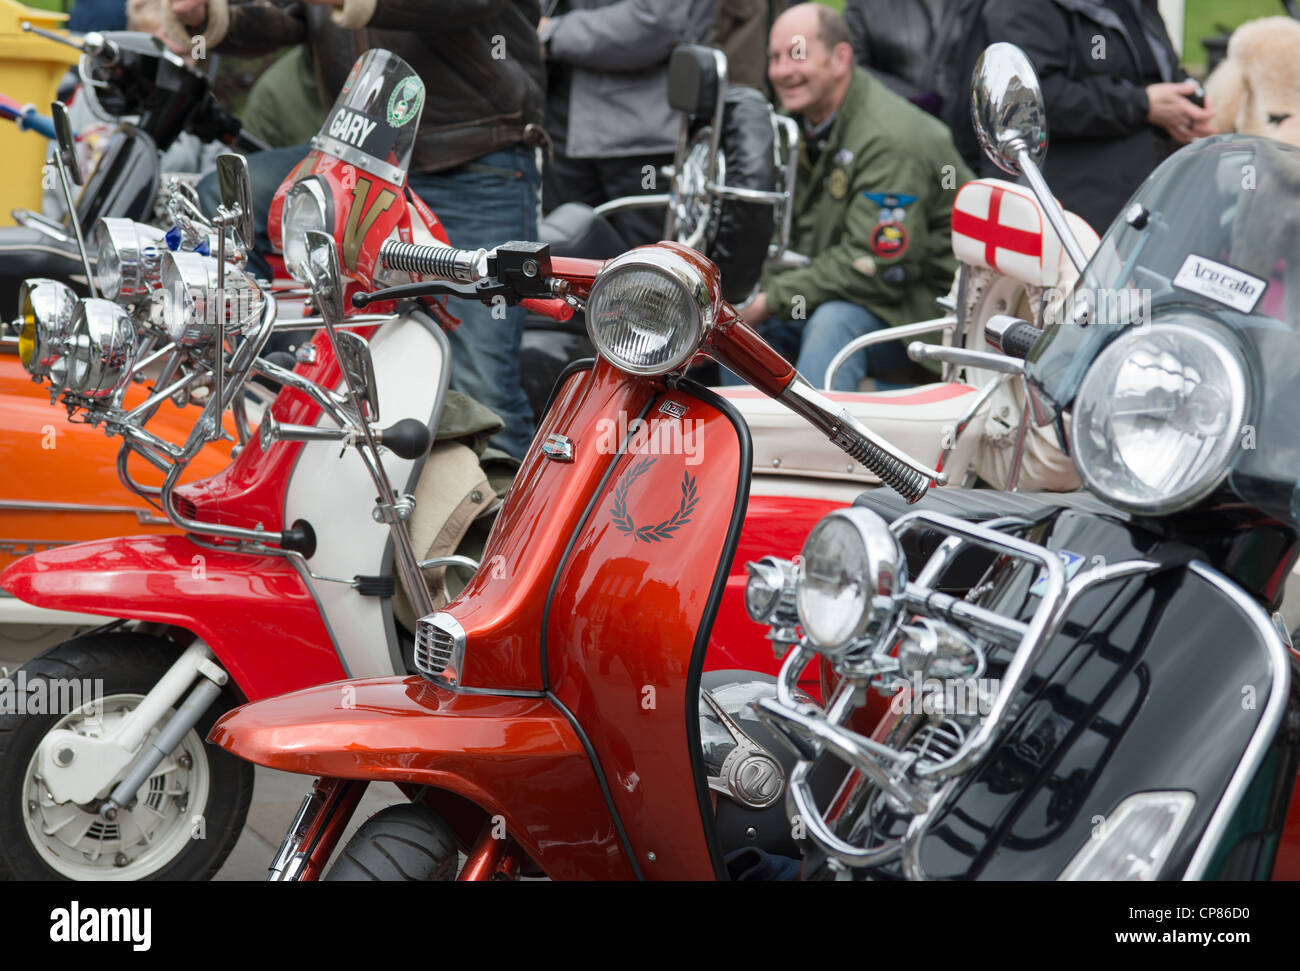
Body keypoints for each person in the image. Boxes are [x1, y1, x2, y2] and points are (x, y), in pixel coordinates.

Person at [163, 0, 547, 461]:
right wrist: (206, 16)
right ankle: (285, 372)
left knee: (483, 387)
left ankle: (507, 526)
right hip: (362, 163)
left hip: (472, 161)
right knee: (229, 196)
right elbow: (289, 18)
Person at [735, 3, 971, 392]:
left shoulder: (889, 139)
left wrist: (771, 298)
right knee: (737, 332)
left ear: (840, 58)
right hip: (849, 286)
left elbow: (877, 267)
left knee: (833, 323)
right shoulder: (796, 123)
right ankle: (750, 444)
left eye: (795, 55)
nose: (780, 71)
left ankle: (817, 448)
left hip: (925, 308)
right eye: (774, 58)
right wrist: (751, 299)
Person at [982, 0, 1214, 234]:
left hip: (1155, 199)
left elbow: (1158, 67)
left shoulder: (1138, 6)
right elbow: (1035, 99)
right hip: (1077, 214)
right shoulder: (1020, 7)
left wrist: (1188, 99)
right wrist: (1143, 105)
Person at [538, 0, 714, 248]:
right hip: (564, 134)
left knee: (649, 275)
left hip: (644, 144)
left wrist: (550, 33)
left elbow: (656, 22)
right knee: (565, 273)